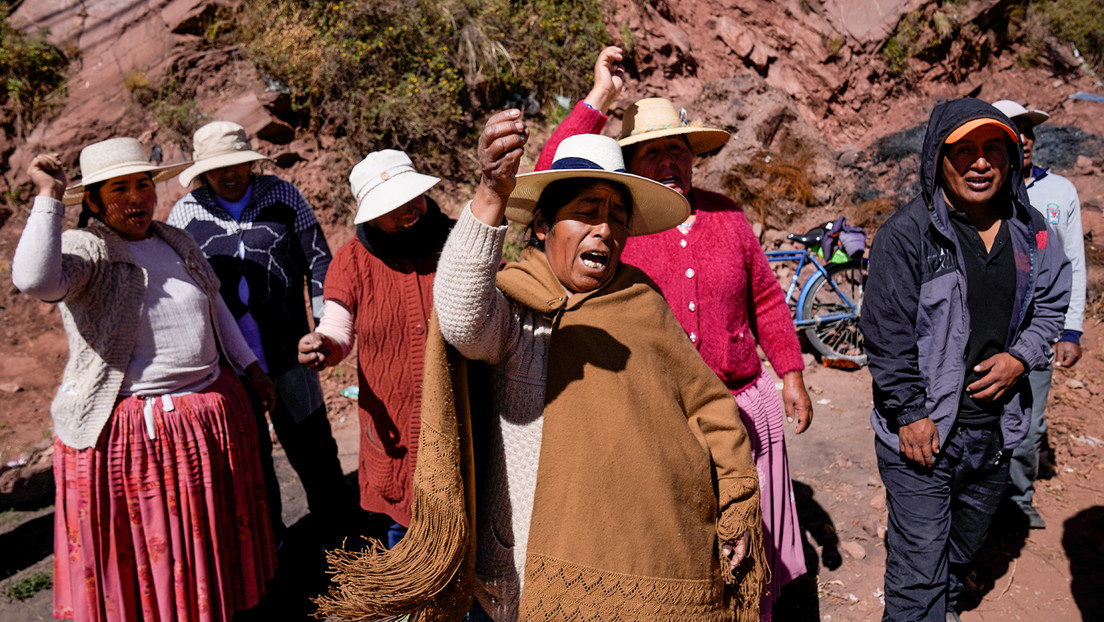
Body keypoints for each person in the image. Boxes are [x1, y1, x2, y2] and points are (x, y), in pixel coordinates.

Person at [315, 111, 765, 622]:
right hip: (522, 569)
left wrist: (736, 494)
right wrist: (489, 194)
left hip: (644, 556)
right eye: (587, 211)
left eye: (617, 216)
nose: (605, 229)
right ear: (544, 226)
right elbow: (462, 315)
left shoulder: (642, 303)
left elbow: (707, 401)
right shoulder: (515, 310)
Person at [536, 45, 813, 618]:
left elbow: (765, 296)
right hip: (665, 417)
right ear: (630, 166)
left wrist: (790, 372)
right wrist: (599, 100)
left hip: (744, 404)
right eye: (650, 152)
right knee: (682, 536)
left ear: (693, 157)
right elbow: (551, 173)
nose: (666, 162)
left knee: (750, 537)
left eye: (676, 150)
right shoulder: (617, 226)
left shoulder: (726, 214)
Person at [11, 138, 277, 621]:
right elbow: (34, 280)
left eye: (142, 185)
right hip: (136, 435)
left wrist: (251, 368)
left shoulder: (176, 241)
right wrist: (49, 196)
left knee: (209, 545)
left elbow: (215, 306)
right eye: (118, 189)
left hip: (203, 418)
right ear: (92, 200)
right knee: (149, 557)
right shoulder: (87, 250)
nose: (136, 198)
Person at [861, 98, 1071, 622]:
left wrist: (1021, 358)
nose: (980, 163)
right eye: (965, 151)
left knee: (963, 547)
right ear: (938, 158)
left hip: (996, 432)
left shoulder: (1033, 231)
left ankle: (945, 606)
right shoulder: (907, 237)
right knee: (918, 570)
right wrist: (910, 413)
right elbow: (885, 335)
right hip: (926, 437)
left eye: (993, 149)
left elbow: (1051, 303)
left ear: (1011, 157)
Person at [168, 121, 346, 539]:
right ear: (202, 173)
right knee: (250, 459)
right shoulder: (185, 215)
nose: (229, 175)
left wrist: (324, 328)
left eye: (238, 165)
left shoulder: (283, 196)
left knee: (313, 444)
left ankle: (339, 531)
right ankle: (270, 547)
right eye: (217, 169)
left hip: (292, 352)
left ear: (251, 163)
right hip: (229, 365)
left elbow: (319, 260)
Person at [297, 149, 453, 549]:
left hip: (460, 419)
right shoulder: (352, 260)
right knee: (405, 540)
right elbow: (337, 329)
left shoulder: (458, 240)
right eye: (392, 206)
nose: (408, 210)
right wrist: (323, 345)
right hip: (394, 431)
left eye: (412, 198)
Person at [991, 99, 1087, 529]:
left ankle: (1019, 496)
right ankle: (982, 500)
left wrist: (1072, 329)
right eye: (1014, 130)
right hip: (991, 332)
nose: (1024, 139)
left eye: (1029, 131)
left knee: (1029, 424)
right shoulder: (981, 191)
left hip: (1040, 331)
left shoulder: (1059, 193)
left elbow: (1074, 264)